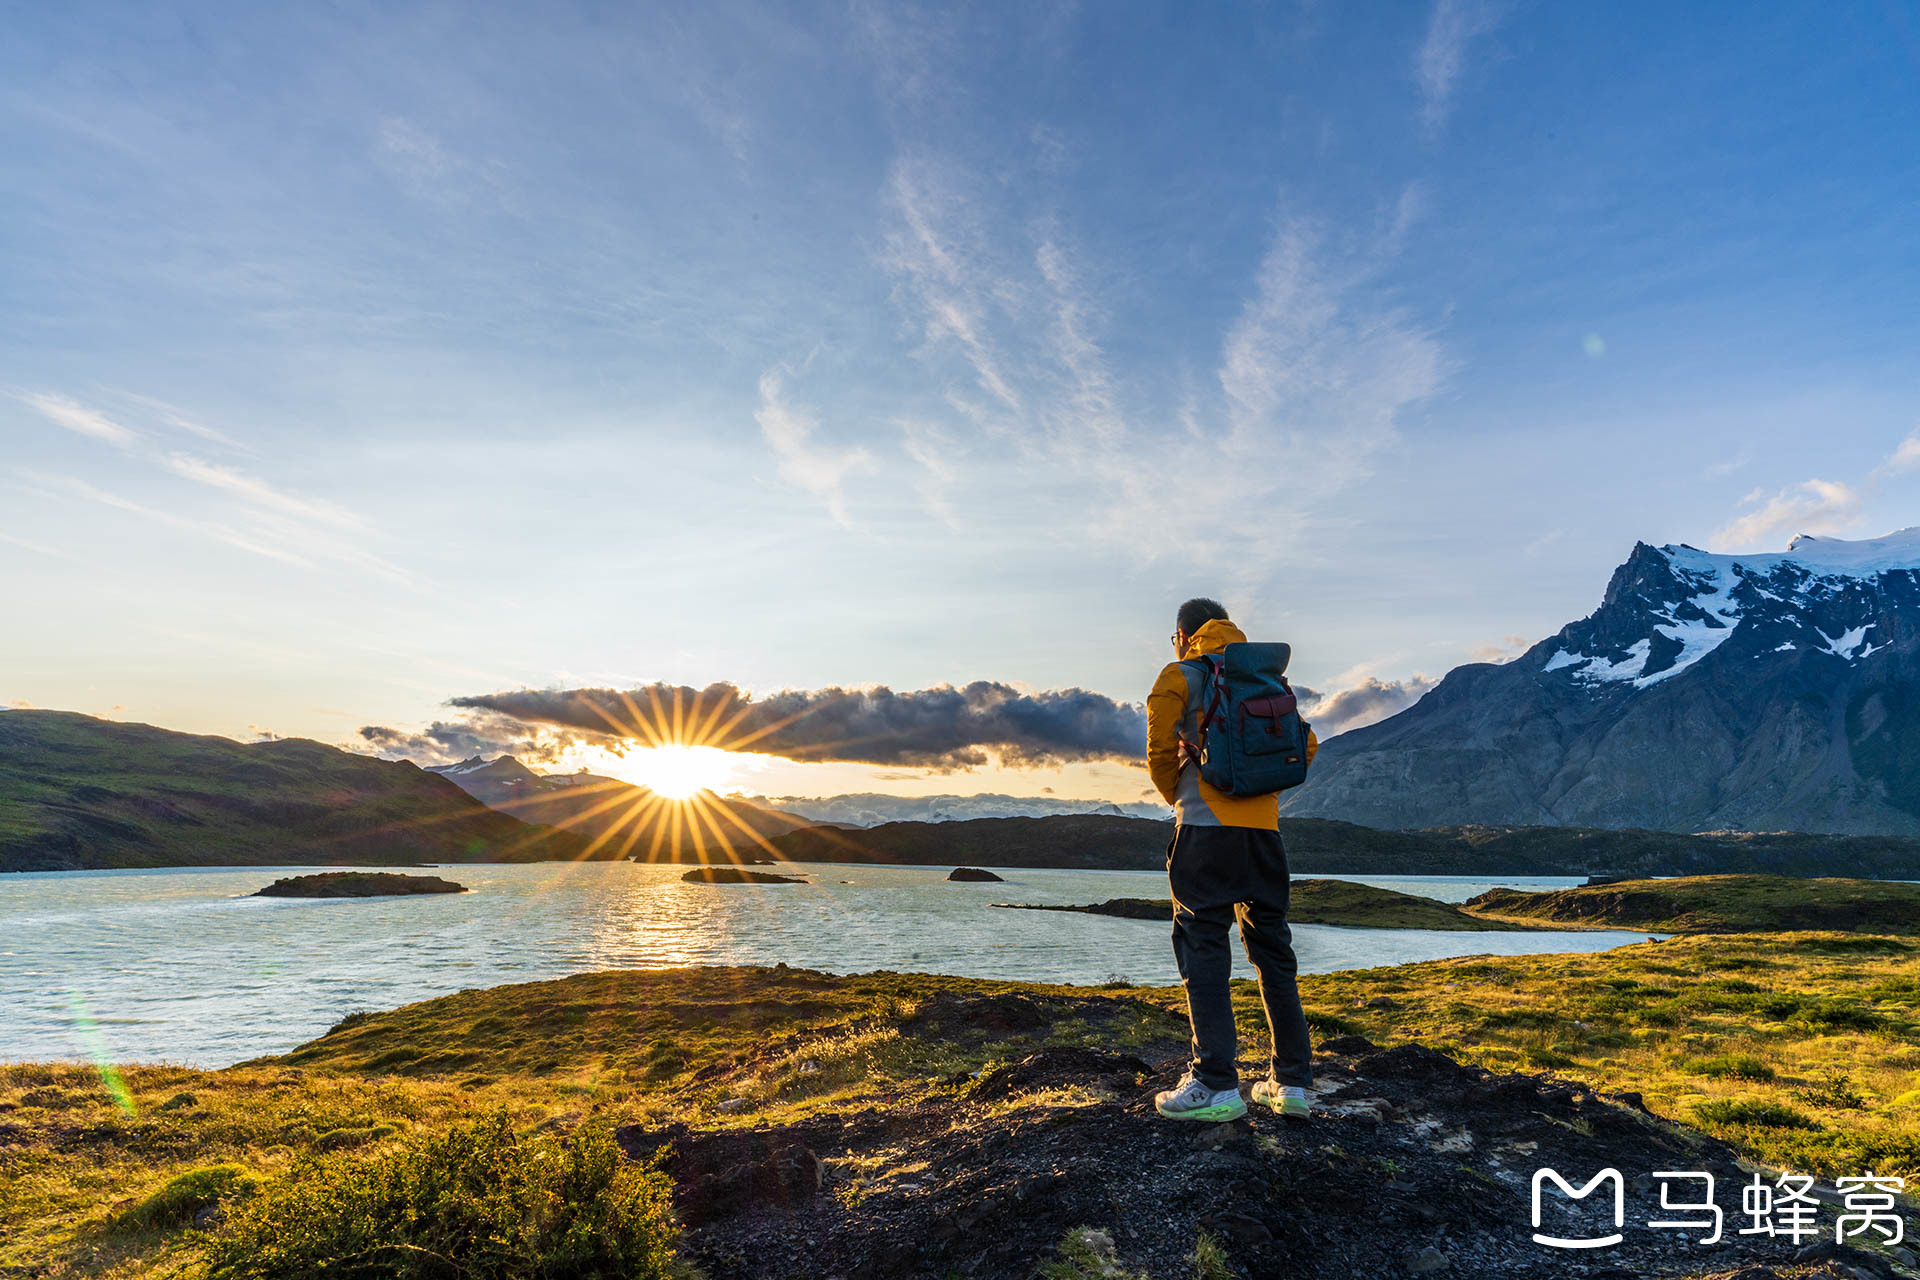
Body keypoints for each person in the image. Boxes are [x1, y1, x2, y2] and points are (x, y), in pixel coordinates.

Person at [1145, 597, 1318, 1121]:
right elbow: (1305, 745)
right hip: (1265, 836)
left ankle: (1216, 1084)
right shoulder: (1263, 678)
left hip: (1203, 831)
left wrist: (1183, 792)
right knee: (1274, 954)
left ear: (1182, 635)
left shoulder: (1180, 675)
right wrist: (1258, 792)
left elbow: (1157, 754)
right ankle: (1291, 1085)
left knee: (1203, 949)